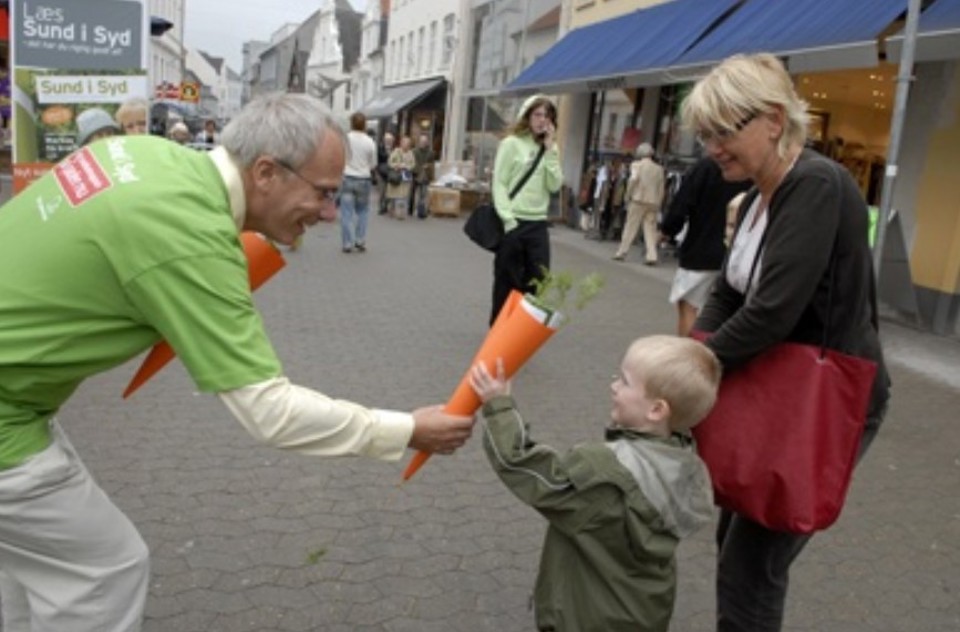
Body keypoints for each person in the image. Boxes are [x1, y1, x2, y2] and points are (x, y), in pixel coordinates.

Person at [0, 92, 474, 631]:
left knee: (36, 569)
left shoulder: (154, 158)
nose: (327, 213)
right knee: (103, 572)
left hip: (18, 405)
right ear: (266, 172)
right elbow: (270, 411)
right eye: (322, 193)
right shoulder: (189, 235)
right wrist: (409, 429)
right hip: (7, 418)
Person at [681, 53, 891, 632]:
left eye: (724, 131)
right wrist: (693, 351)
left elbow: (772, 312)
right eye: (706, 135)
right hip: (780, 393)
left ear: (773, 120)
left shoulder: (816, 184)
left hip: (824, 402)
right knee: (737, 546)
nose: (713, 148)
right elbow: (728, 293)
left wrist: (689, 364)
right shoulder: (754, 199)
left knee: (753, 566)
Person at [469, 335, 721, 632]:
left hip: (586, 618)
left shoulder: (604, 470)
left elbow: (524, 467)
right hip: (644, 612)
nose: (613, 386)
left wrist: (499, 405)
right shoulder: (684, 460)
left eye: (625, 382)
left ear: (656, 410)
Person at [489, 94, 562, 325]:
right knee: (507, 280)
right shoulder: (511, 144)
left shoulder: (551, 148)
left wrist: (550, 151)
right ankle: (498, 330)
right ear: (527, 117)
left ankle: (519, 329)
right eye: (538, 115)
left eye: (548, 116)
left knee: (539, 280)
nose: (543, 120)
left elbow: (554, 185)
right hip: (514, 222)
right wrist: (508, 219)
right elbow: (499, 182)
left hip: (538, 224)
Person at [659, 157, 752, 336]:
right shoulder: (752, 166)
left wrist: (667, 230)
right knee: (727, 309)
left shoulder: (707, 166)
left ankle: (690, 355)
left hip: (701, 248)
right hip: (738, 251)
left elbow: (682, 203)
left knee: (689, 305)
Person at [613, 142, 664, 265]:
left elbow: (633, 180)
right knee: (650, 229)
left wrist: (627, 195)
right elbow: (661, 188)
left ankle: (622, 252)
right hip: (653, 201)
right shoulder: (659, 169)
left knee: (631, 226)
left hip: (638, 199)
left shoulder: (636, 165)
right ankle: (652, 255)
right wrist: (659, 202)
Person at [340, 112, 378, 253]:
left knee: (346, 212)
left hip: (347, 177)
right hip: (363, 178)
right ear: (364, 124)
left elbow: (340, 157)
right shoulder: (370, 141)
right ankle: (360, 240)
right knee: (363, 211)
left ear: (351, 123)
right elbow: (373, 164)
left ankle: (347, 243)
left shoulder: (345, 139)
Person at [385, 135, 415, 220]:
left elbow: (413, 164)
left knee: (403, 196)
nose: (406, 145)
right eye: (405, 143)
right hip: (396, 177)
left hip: (405, 177)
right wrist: (397, 165)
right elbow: (390, 162)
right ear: (401, 143)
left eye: (408, 143)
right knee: (394, 196)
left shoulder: (411, 153)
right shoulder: (396, 151)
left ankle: (401, 213)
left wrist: (407, 166)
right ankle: (392, 210)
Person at [411, 133, 436, 218]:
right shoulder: (414, 151)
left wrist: (428, 168)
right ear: (419, 142)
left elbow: (432, 164)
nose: (423, 143)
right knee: (412, 193)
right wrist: (419, 168)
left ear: (427, 142)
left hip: (425, 176)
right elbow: (412, 163)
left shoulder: (431, 153)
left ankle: (420, 211)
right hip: (415, 174)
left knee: (423, 194)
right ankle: (410, 209)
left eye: (424, 141)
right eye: (421, 141)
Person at [376, 132, 396, 215]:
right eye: (387, 140)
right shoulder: (380, 148)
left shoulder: (395, 149)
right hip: (381, 172)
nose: (388, 141)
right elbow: (378, 158)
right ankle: (381, 207)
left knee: (389, 191)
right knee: (382, 191)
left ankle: (386, 205)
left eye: (390, 140)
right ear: (384, 140)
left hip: (391, 173)